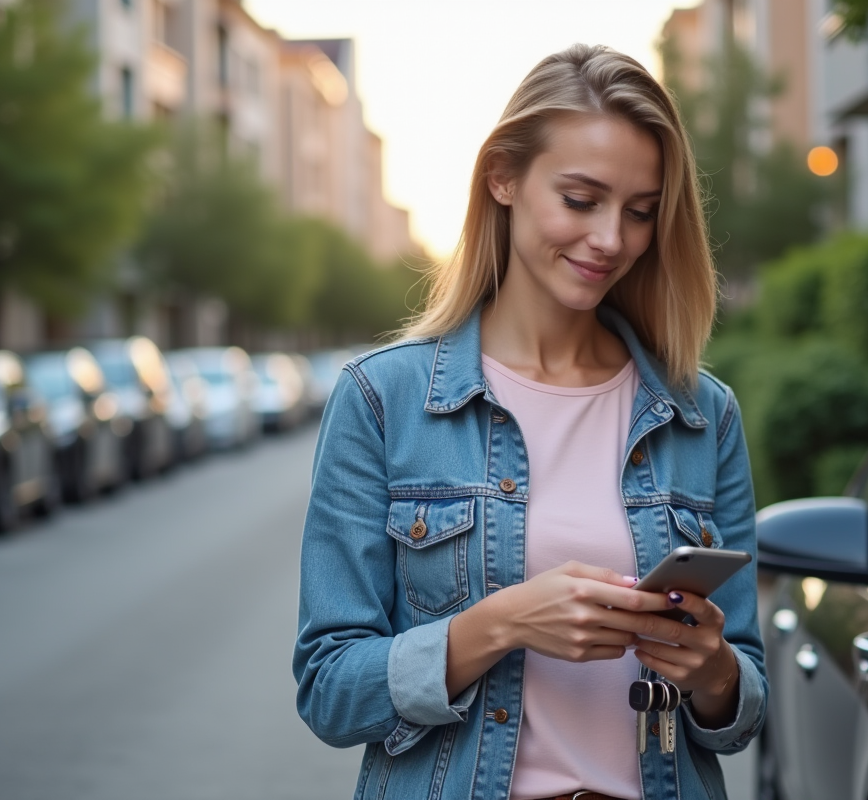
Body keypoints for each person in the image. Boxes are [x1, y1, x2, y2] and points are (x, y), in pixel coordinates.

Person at [294, 44, 765, 800]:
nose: (612, 239)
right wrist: (501, 624)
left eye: (640, 212)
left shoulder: (703, 414)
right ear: (503, 177)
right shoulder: (383, 400)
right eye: (581, 200)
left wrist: (711, 670)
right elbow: (329, 689)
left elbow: (739, 715)